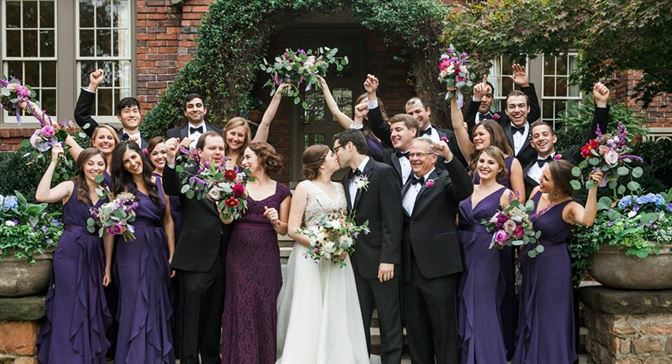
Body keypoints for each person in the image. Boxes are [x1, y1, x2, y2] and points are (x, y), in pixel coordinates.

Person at [276, 145, 369, 363]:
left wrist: (341, 243)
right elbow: (293, 228)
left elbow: (344, 221)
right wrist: (322, 243)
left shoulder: (339, 186)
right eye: (330, 154)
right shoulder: (304, 187)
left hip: (337, 258)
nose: (335, 156)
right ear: (320, 163)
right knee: (309, 308)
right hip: (310, 257)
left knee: (337, 307)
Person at [512, 161, 603, 364]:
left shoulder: (570, 206)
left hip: (553, 265)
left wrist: (592, 189)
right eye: (542, 175)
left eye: (546, 178)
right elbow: (524, 221)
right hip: (531, 262)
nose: (540, 180)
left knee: (550, 312)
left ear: (560, 186)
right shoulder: (536, 192)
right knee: (531, 307)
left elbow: (587, 220)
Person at [36, 146, 112, 363]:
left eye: (100, 164)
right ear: (82, 165)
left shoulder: (107, 193)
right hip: (70, 251)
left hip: (94, 253)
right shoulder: (71, 185)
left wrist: (107, 266)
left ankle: (85, 356)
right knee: (69, 302)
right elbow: (41, 196)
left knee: (90, 303)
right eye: (90, 163)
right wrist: (53, 162)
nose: (95, 167)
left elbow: (108, 233)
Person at [334, 130, 404, 364]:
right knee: (357, 319)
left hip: (381, 262)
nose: (336, 154)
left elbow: (393, 221)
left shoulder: (383, 173)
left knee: (389, 319)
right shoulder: (344, 179)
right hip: (354, 262)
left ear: (350, 147)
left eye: (337, 149)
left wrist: (388, 259)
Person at [401, 137, 473, 364]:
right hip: (410, 269)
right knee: (416, 331)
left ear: (433, 158)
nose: (414, 158)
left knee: (443, 330)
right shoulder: (405, 184)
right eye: (411, 154)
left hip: (439, 268)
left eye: (419, 154)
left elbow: (465, 190)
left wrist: (450, 158)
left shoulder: (444, 180)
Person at [163, 131, 233, 364]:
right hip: (194, 259)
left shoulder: (231, 178)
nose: (217, 153)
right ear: (200, 152)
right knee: (191, 319)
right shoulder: (188, 175)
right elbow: (171, 187)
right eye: (212, 148)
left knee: (214, 318)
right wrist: (171, 161)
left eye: (220, 148)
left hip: (222, 258)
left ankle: (212, 360)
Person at [103, 141, 175, 363]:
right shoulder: (119, 189)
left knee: (155, 300)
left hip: (156, 247)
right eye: (126, 161)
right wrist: (107, 266)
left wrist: (172, 254)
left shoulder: (160, 182)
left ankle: (155, 356)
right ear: (121, 166)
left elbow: (168, 221)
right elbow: (109, 230)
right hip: (130, 249)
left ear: (141, 156)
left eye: (133, 157)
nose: (132, 163)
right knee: (134, 301)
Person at [220, 142, 291, 364]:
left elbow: (284, 228)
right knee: (240, 303)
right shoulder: (236, 185)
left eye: (248, 157)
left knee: (265, 303)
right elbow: (226, 219)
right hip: (239, 253)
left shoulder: (282, 191)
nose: (244, 162)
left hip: (266, 254)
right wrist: (229, 204)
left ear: (261, 159)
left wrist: (275, 220)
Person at [457, 146, 513, 364]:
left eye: (490, 163)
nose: (484, 166)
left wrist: (500, 231)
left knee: (482, 303)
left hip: (487, 253)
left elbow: (515, 228)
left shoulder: (505, 194)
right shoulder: (466, 189)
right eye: (481, 161)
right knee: (463, 299)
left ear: (500, 167)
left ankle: (487, 357)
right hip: (462, 249)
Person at [524, 82, 611, 196]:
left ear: (554, 139)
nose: (541, 138)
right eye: (536, 136)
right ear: (532, 144)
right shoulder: (524, 167)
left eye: (545, 134)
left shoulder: (569, 158)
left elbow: (593, 139)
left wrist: (601, 104)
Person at [363, 74, 467, 167]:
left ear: (428, 111)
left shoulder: (448, 135)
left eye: (418, 111)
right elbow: (378, 125)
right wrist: (371, 94)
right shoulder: (402, 138)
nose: (414, 116)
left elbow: (460, 163)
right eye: (410, 114)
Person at [450, 96, 525, 201]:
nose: (476, 138)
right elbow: (458, 127)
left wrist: (502, 217)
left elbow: (519, 199)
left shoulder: (511, 163)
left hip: (500, 214)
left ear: (493, 135)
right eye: (475, 135)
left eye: (481, 134)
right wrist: (453, 93)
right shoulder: (474, 156)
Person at [318, 75, 386, 161]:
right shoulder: (357, 128)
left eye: (369, 102)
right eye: (363, 104)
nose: (366, 106)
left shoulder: (388, 127)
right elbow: (336, 112)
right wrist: (324, 85)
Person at [74, 69, 146, 147]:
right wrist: (93, 85)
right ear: (119, 117)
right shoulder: (109, 138)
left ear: (140, 114)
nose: (132, 115)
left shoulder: (150, 141)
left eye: (135, 111)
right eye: (127, 111)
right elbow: (81, 116)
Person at [463, 65, 541, 136]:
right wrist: (477, 99)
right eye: (481, 96)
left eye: (488, 96)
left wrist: (525, 86)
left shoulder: (502, 118)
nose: (483, 100)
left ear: (492, 99)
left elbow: (533, 113)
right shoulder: (466, 117)